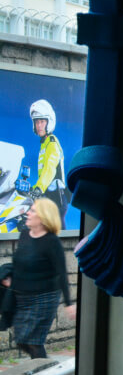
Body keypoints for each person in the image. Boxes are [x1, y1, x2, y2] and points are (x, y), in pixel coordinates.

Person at [8, 198, 75, 359]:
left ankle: (42, 373)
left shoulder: (51, 242)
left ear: (43, 217)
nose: (28, 213)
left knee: (33, 341)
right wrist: (9, 279)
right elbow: (20, 262)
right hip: (23, 297)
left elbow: (61, 273)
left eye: (32, 211)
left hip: (44, 298)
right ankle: (43, 368)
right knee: (21, 340)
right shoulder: (24, 235)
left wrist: (68, 303)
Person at [29, 99, 68, 229]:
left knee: (57, 237)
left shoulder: (51, 142)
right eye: (36, 122)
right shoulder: (44, 144)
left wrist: (39, 188)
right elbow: (42, 175)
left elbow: (49, 169)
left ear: (49, 122)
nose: (39, 125)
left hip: (56, 198)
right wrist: (33, 189)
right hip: (49, 197)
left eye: (42, 121)